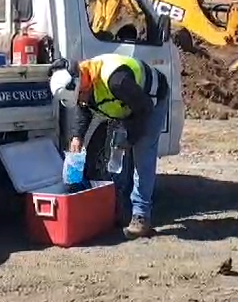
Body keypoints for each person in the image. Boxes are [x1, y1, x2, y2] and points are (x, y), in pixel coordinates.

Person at [47, 54, 170, 239]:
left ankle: (141, 216)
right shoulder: (83, 82)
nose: (82, 98)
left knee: (142, 153)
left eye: (81, 93)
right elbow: (83, 106)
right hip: (127, 107)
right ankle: (119, 208)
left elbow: (144, 108)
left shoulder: (115, 80)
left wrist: (131, 138)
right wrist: (77, 137)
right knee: (115, 157)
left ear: (81, 81)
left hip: (150, 101)